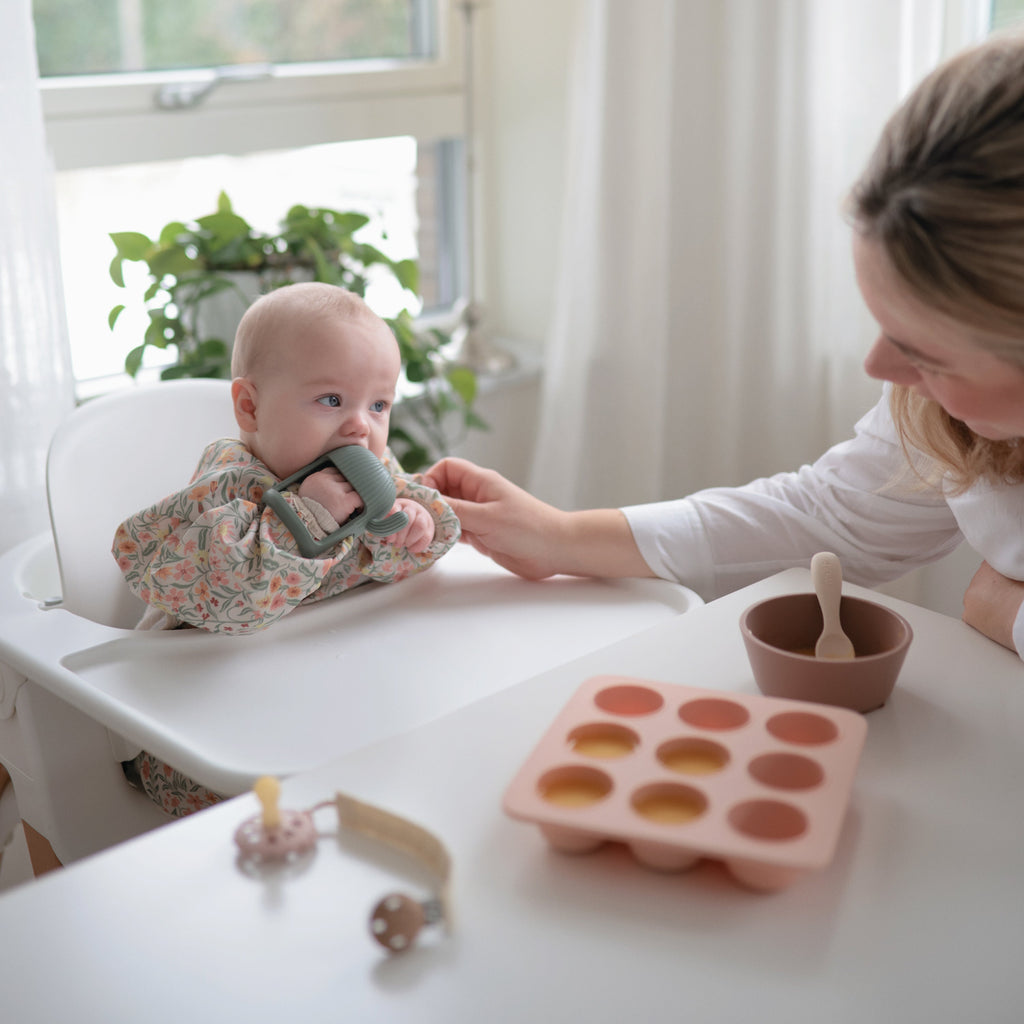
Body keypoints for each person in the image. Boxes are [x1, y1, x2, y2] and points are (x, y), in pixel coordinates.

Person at [423, 30, 1024, 661]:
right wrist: (561, 536)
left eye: (929, 355)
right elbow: (831, 517)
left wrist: (1008, 613)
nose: (880, 366)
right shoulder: (935, 411)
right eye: (886, 325)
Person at [112, 282, 460, 814]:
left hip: (317, 684)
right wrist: (305, 515)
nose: (360, 426)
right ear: (250, 408)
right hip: (197, 709)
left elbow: (414, 545)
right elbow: (232, 590)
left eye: (379, 404)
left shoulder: (371, 473)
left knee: (409, 745)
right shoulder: (229, 485)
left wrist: (410, 526)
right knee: (249, 802)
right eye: (331, 400)